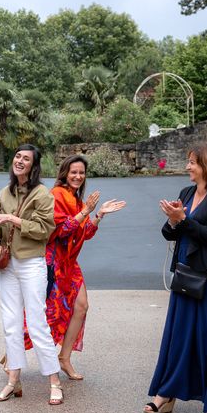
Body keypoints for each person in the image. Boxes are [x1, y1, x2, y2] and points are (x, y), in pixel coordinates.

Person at [145, 143, 207, 413]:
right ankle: (167, 393)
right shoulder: (186, 193)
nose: (188, 167)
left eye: (192, 162)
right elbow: (169, 233)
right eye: (188, 162)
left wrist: (183, 220)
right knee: (179, 333)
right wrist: (174, 222)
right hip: (187, 270)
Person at [24, 155, 125, 380]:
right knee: (48, 313)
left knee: (81, 307)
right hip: (53, 263)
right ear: (64, 174)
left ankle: (64, 358)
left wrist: (99, 214)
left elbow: (85, 232)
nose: (78, 176)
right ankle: (11, 357)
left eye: (81, 172)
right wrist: (86, 210)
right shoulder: (57, 195)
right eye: (73, 172)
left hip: (69, 263)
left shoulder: (76, 199)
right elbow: (61, 231)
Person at [0, 144, 63, 405]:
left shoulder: (42, 194)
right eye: (17, 156)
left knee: (38, 323)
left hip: (31, 264)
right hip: (8, 266)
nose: (19, 161)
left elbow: (45, 230)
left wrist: (13, 219)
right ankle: (13, 381)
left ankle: (54, 381)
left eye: (26, 158)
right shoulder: (4, 193)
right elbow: (2, 232)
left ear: (33, 165)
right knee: (11, 324)